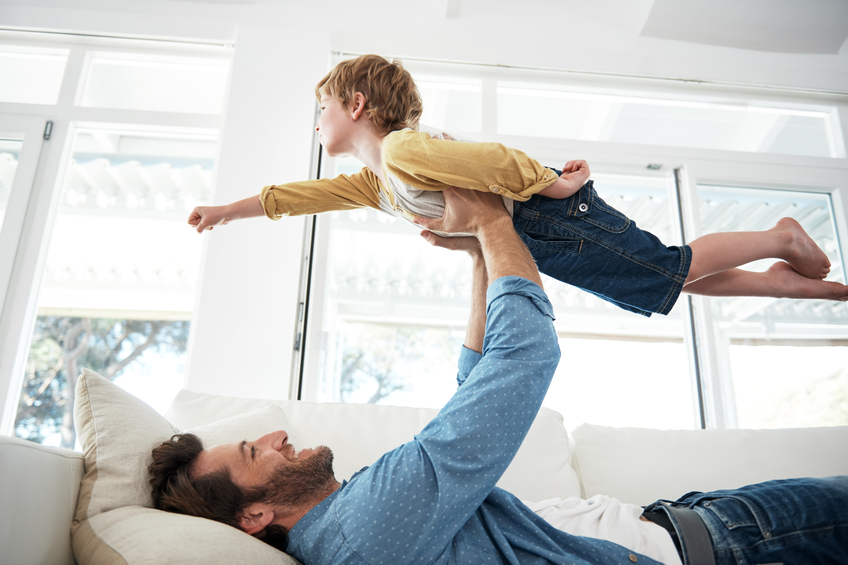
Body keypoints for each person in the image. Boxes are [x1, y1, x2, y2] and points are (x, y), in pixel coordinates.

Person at [151, 188, 848, 565]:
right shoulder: (362, 530)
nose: (274, 434)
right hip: (733, 542)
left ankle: (782, 263)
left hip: (689, 524)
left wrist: (481, 256)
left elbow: (474, 387)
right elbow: (522, 361)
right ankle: (783, 255)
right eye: (252, 453)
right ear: (254, 516)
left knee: (656, 267)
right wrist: (488, 217)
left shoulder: (353, 529)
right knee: (655, 267)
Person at [186, 54, 848, 317]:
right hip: (542, 241)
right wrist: (228, 210)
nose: (318, 119)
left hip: (553, 219)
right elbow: (296, 197)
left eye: (322, 106)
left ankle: (778, 235)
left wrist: (553, 184)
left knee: (669, 268)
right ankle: (785, 280)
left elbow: (494, 161)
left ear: (357, 104)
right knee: (665, 283)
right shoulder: (375, 182)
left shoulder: (405, 148)